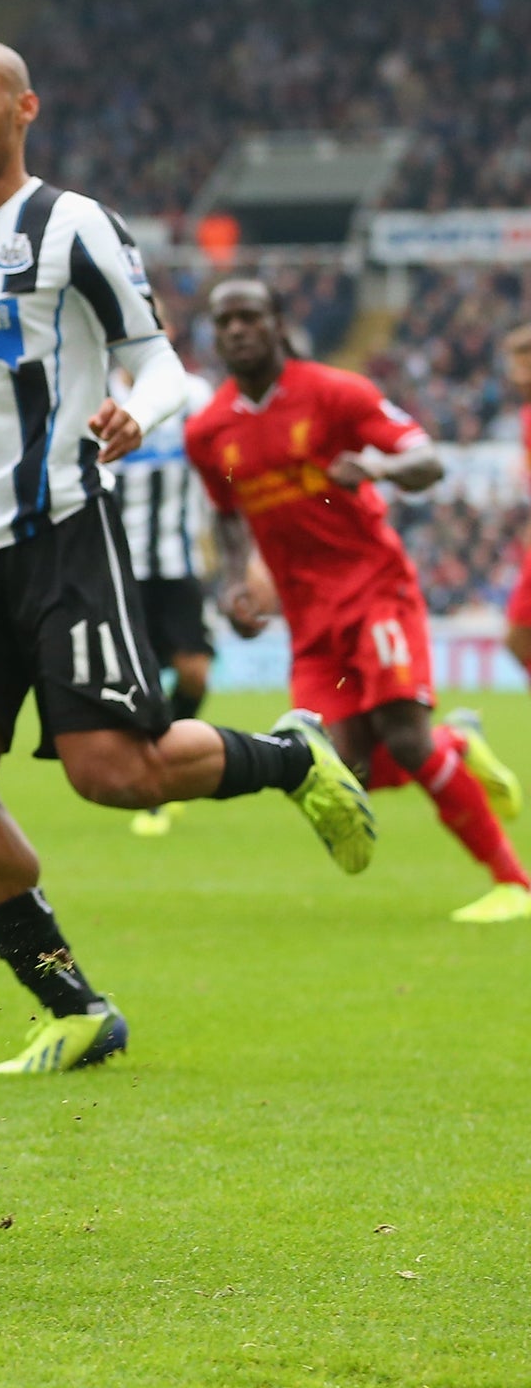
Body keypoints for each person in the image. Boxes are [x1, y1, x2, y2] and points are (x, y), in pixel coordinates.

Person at [0, 38, 375, 1078]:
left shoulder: (70, 224)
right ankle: (69, 1004)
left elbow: (158, 363)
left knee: (111, 774)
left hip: (62, 533)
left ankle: (292, 757)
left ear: (22, 108)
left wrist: (142, 411)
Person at [187, 279, 530, 924]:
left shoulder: (337, 393)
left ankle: (515, 883)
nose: (237, 330)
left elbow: (427, 461)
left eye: (250, 317)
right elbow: (227, 513)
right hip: (307, 615)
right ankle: (458, 745)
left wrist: (377, 468)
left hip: (375, 588)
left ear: (278, 324)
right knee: (343, 771)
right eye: (224, 320)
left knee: (404, 737)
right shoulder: (209, 431)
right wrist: (238, 580)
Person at [113, 350, 218, 837]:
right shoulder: (98, 394)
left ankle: (163, 759)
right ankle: (155, 787)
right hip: (120, 562)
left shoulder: (192, 395)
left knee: (194, 673)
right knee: (145, 678)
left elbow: (221, 466)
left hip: (179, 561)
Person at [500, 323, 531, 678]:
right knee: (518, 640)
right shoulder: (525, 416)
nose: (519, 376)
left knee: (518, 637)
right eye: (516, 367)